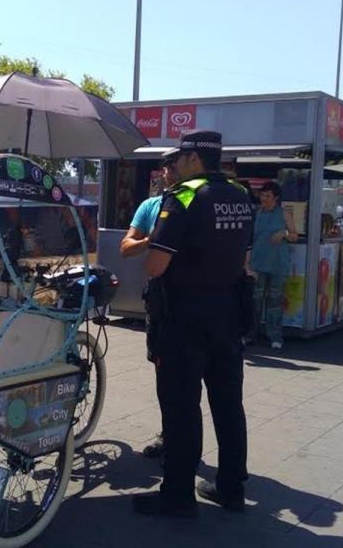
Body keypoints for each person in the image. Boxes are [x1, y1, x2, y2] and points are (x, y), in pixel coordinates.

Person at [134, 130, 254, 518]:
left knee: (181, 406)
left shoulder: (183, 196)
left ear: (192, 159)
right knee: (228, 404)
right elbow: (245, 260)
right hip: (229, 314)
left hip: (184, 318)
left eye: (180, 158)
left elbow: (156, 264)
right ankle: (232, 489)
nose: (176, 166)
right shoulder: (240, 195)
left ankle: (177, 496)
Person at [119, 153, 179, 460]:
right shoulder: (151, 206)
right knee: (163, 371)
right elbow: (126, 247)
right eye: (167, 167)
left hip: (195, 301)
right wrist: (152, 239)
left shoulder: (197, 203)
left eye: (176, 166)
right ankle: (169, 435)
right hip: (160, 301)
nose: (171, 172)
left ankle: (182, 442)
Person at [249, 180, 297, 349]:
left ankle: (275, 336)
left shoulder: (284, 214)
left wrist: (284, 233)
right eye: (262, 195)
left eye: (268, 196)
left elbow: (294, 236)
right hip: (257, 262)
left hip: (278, 263)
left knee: (275, 300)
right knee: (255, 300)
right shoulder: (256, 214)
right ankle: (250, 334)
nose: (264, 199)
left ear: (276, 198)